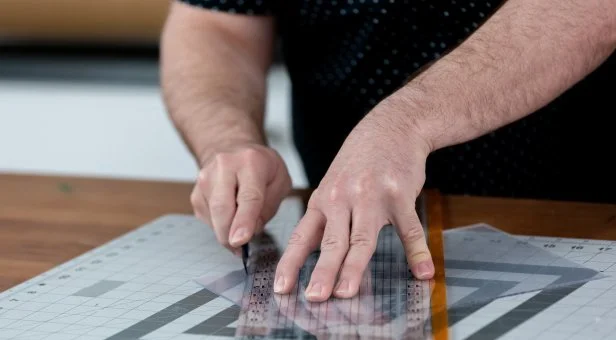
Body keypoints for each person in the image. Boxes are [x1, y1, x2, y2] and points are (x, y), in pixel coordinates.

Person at [160, 0, 615, 302]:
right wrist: (228, 138)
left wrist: (407, 119)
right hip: (355, 233)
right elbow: (215, 22)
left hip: (582, 218)